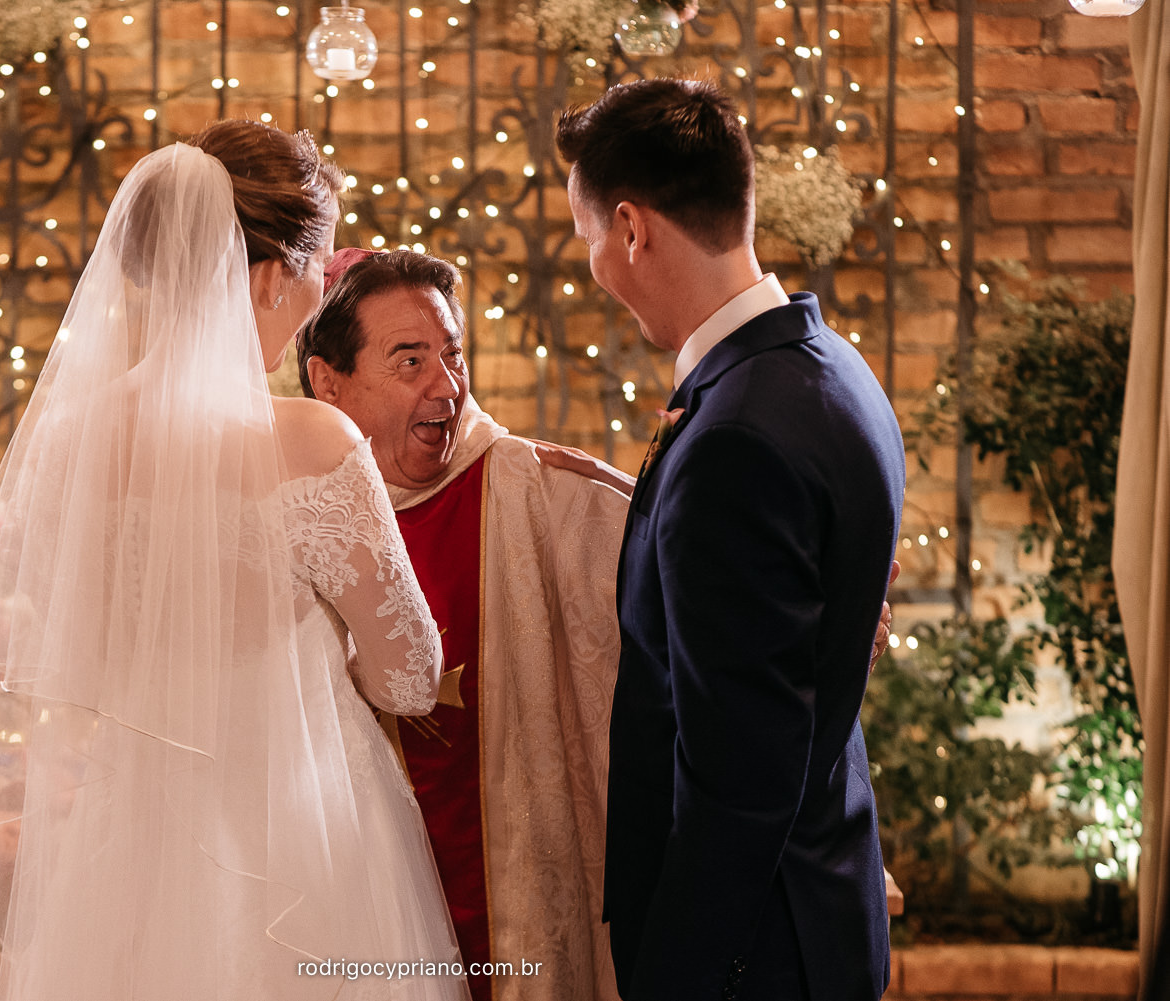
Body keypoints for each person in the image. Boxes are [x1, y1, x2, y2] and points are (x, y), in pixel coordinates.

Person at [0, 124, 467, 1001]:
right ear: (271, 276)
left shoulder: (76, 440)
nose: (322, 282)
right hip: (300, 841)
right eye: (319, 262)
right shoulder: (313, 441)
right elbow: (413, 675)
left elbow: (61, 647)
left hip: (123, 848)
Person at [557, 78, 905, 1001]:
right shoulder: (832, 368)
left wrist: (676, 975)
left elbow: (738, 777)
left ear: (631, 229)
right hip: (822, 894)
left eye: (589, 235)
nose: (593, 262)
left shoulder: (733, 438)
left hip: (754, 950)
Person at [299, 248, 630, 1001]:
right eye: (410, 361)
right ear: (328, 380)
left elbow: (697, 569)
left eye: (452, 355)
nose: (446, 386)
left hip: (520, 919)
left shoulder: (537, 490)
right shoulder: (292, 510)